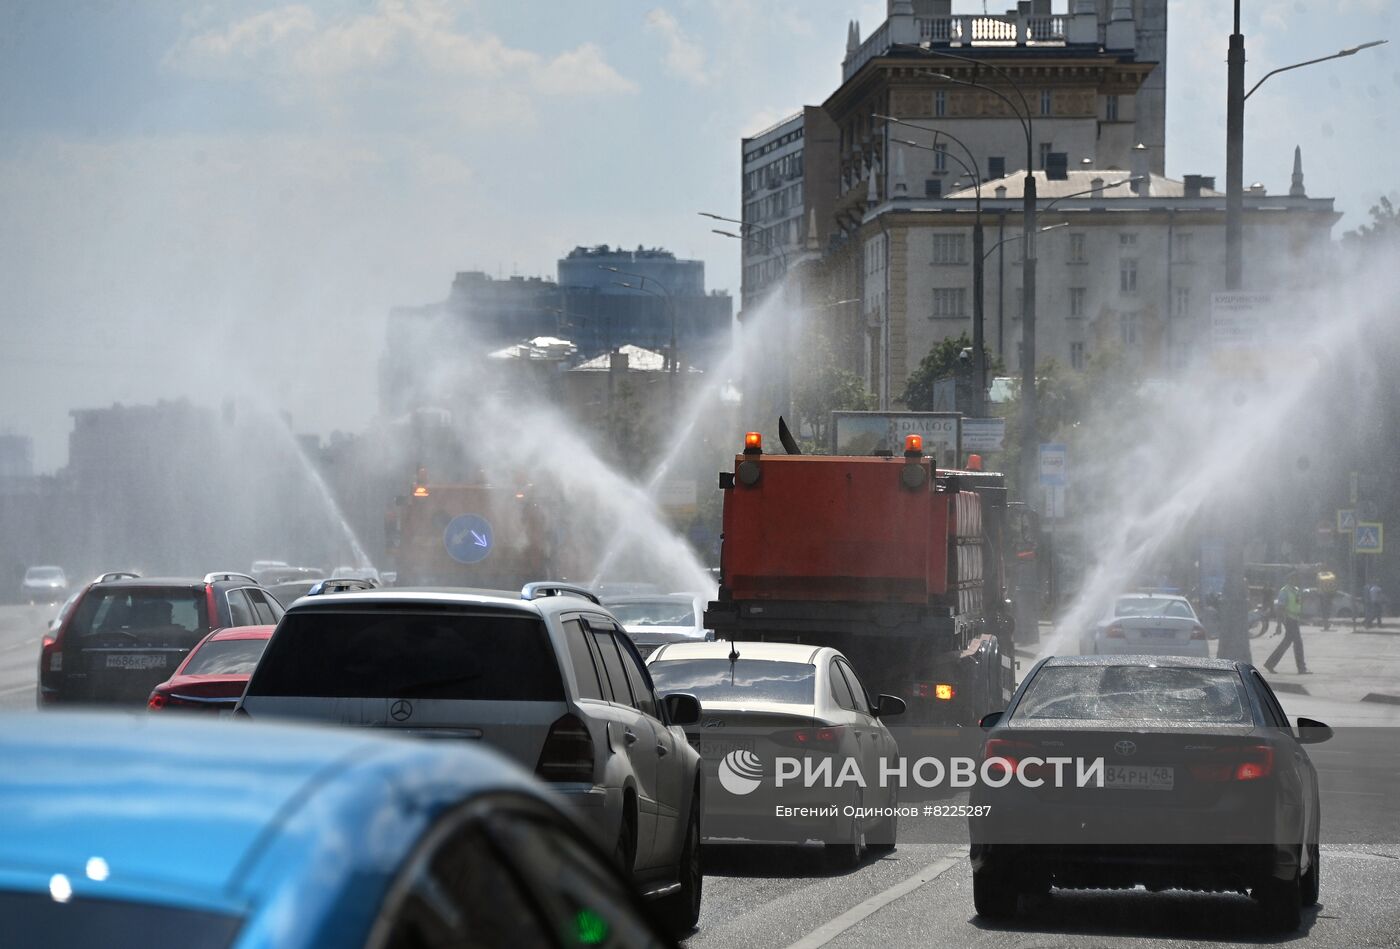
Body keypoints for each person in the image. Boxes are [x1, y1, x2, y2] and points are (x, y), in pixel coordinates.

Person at [1265, 575, 1307, 674]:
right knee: (1298, 643)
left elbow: (1297, 605)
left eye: (1296, 578)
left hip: (1294, 619)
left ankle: (1270, 664)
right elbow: (1280, 608)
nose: (1296, 580)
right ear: (1289, 579)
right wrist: (1279, 624)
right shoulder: (1284, 591)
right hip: (1288, 619)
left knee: (1287, 642)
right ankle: (1301, 668)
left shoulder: (1296, 590)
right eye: (1294, 578)